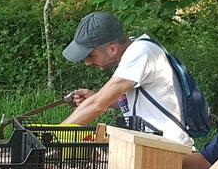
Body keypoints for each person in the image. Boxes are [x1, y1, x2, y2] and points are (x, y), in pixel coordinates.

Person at [61, 11, 193, 147]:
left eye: (91, 56)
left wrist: (56, 134)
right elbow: (137, 102)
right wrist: (98, 98)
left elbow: (97, 104)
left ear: (112, 49)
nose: (87, 63)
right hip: (152, 145)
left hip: (168, 151)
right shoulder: (133, 49)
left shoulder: (141, 52)